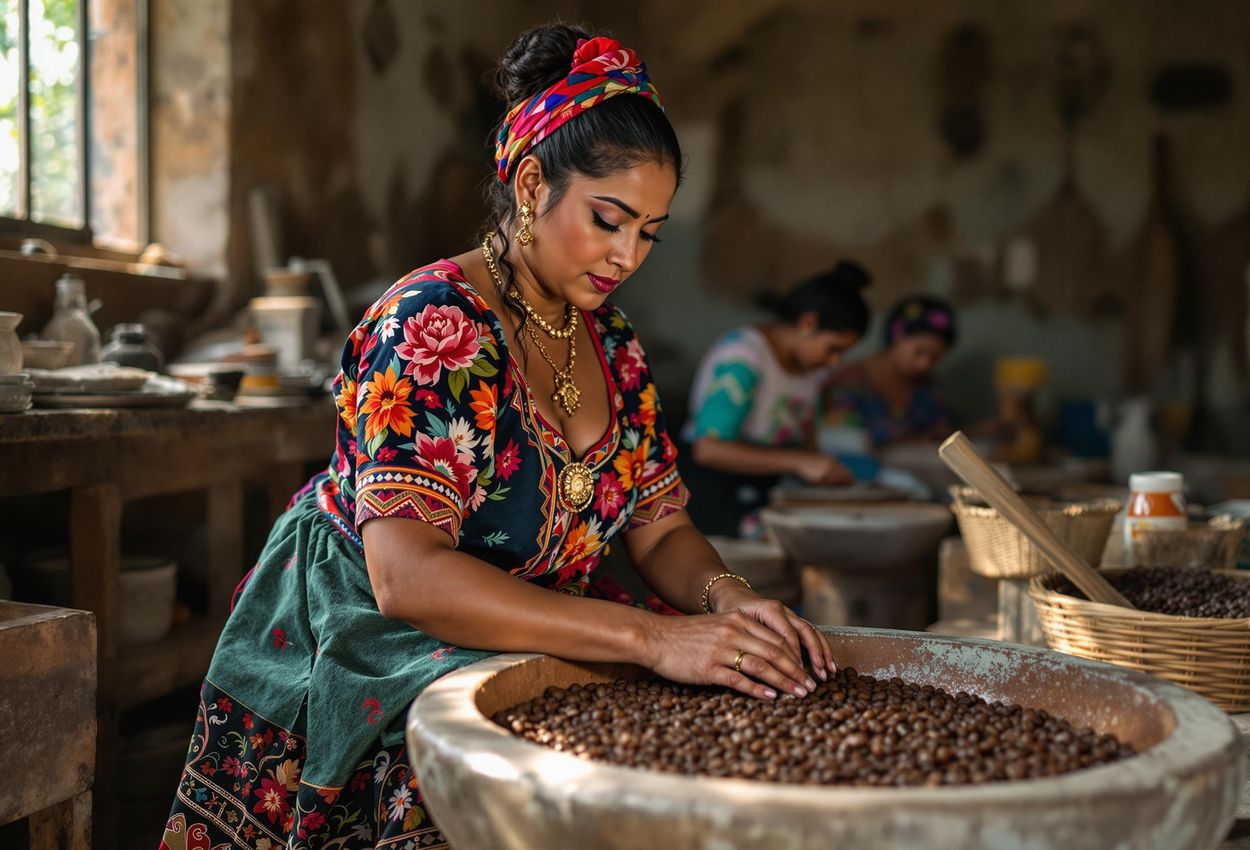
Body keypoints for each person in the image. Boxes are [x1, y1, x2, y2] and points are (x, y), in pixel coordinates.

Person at [162, 24, 835, 850]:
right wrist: (655, 636)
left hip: (534, 623)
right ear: (528, 183)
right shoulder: (432, 324)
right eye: (608, 219)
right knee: (482, 790)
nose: (628, 255)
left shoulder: (613, 343)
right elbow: (408, 578)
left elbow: (660, 529)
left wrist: (730, 599)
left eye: (649, 232)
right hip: (376, 635)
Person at [681, 262, 871, 537]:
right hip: (715, 488)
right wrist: (799, 462)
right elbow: (708, 449)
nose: (834, 361)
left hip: (769, 486)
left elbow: (807, 443)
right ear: (808, 324)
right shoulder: (743, 358)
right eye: (833, 349)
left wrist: (821, 469)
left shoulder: (812, 372)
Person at [822, 294, 956, 450]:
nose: (924, 364)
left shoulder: (928, 386)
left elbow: (941, 431)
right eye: (919, 352)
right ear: (897, 336)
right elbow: (841, 441)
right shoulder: (849, 382)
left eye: (935, 357)